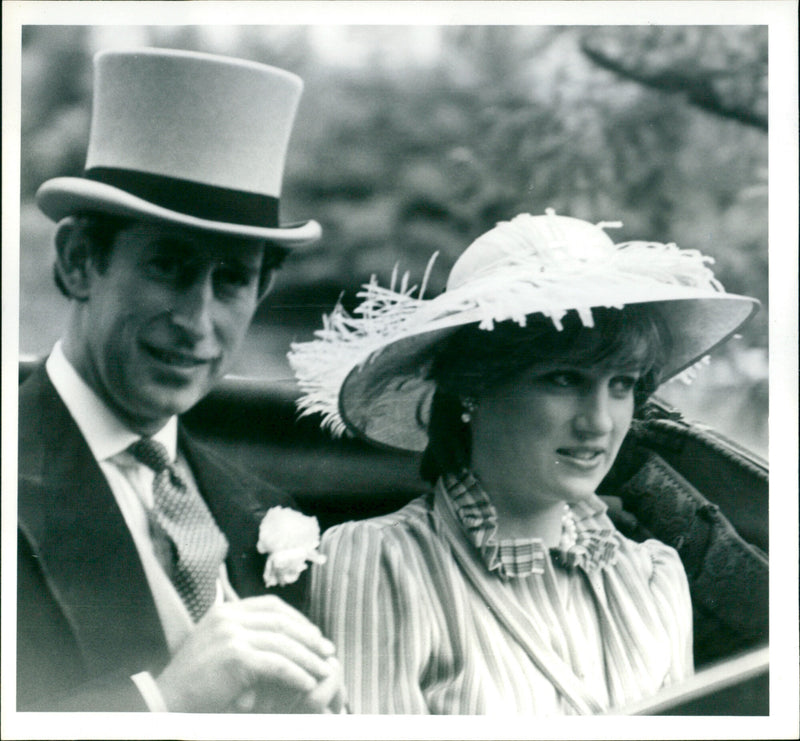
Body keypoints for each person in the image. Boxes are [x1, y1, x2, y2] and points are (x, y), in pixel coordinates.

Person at [289, 211, 761, 714]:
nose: (599, 422)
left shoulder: (651, 577)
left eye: (621, 384)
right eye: (564, 379)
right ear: (474, 385)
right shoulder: (383, 562)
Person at [17, 47, 343, 713]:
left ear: (261, 291)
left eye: (232, 279)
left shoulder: (255, 509)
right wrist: (161, 702)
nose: (197, 320)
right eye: (168, 265)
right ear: (79, 261)